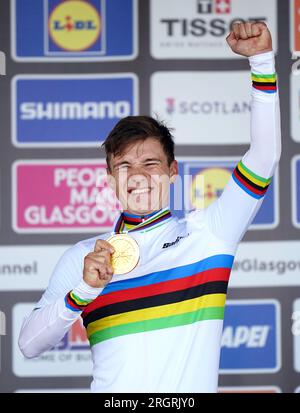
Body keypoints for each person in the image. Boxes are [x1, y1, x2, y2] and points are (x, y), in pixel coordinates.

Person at [19, 22, 281, 393]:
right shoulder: (85, 259)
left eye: (150, 164)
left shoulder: (209, 234)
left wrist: (261, 62)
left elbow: (264, 157)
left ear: (173, 172)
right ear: (110, 179)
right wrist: (83, 291)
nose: (137, 176)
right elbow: (28, 345)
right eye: (124, 166)